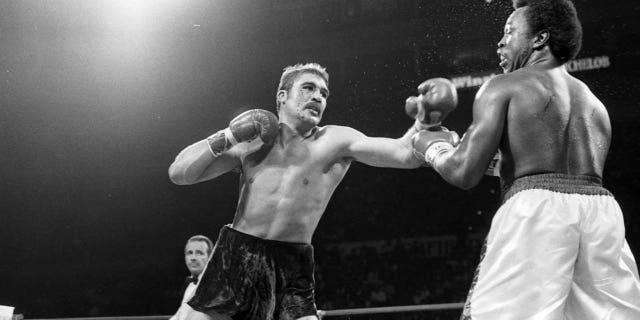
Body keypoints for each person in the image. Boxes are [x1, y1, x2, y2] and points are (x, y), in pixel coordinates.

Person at [168, 63, 457, 320]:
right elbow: (180, 173)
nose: (318, 97)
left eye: (324, 93)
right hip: (237, 253)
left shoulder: (335, 140)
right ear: (282, 96)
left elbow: (403, 154)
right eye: (308, 88)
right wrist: (228, 135)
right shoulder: (252, 143)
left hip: (291, 264)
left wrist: (424, 122)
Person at [412, 0, 640, 319]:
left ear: (539, 39)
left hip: (535, 214)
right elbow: (559, 176)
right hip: (603, 216)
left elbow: (463, 172)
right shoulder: (595, 105)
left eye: (509, 31)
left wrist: (428, 143)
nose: (500, 41)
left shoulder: (504, 86)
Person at [170, 235, 214, 320]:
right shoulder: (190, 286)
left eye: (199, 253)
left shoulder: (214, 287)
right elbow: (179, 316)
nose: (193, 258)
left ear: (210, 258)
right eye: (190, 253)